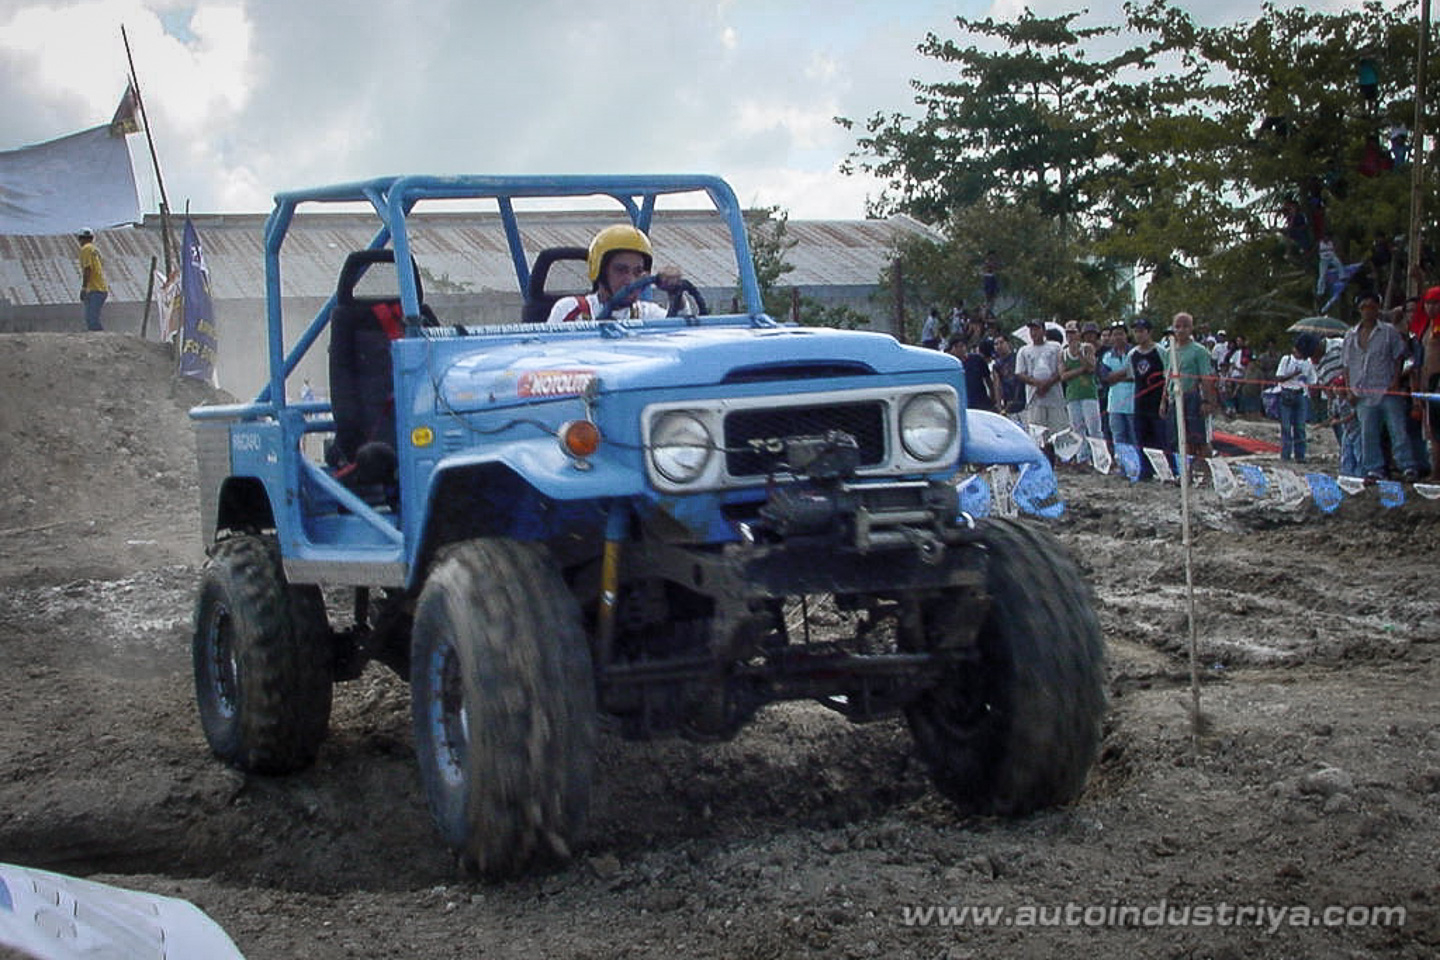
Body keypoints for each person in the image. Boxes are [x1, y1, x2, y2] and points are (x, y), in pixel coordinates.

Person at [1342, 291, 1421, 481]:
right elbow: (1346, 365)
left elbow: (1398, 357)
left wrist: (1394, 381)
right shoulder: (1350, 335)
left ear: (1377, 308)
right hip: (1362, 392)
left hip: (1386, 390)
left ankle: (1407, 466)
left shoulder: (1389, 332)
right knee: (1368, 434)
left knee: (1398, 431)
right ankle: (1374, 469)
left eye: (1371, 306)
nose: (1367, 311)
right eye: (1363, 307)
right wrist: (1348, 390)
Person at [547, 225, 678, 323]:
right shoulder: (570, 310)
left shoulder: (649, 314)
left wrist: (676, 295)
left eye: (637, 272)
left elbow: (682, 337)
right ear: (600, 271)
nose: (631, 280)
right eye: (621, 270)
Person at [1159, 312, 1219, 480]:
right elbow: (1167, 376)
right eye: (1177, 326)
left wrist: (1207, 401)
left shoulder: (1199, 351)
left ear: (1191, 328)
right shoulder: (1168, 351)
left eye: (1185, 326)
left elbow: (1206, 379)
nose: (1181, 330)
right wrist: (1163, 401)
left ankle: (1209, 474)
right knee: (1179, 438)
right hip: (1174, 398)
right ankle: (1186, 474)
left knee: (1199, 439)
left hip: (1193, 397)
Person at [1014, 320, 1067, 461]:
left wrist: (1048, 383)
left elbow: (1061, 369)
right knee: (1037, 430)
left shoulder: (1055, 347)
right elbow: (1020, 373)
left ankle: (1061, 458)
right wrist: (1037, 384)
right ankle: (1041, 458)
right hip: (1034, 395)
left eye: (1037, 329)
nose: (1034, 333)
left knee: (1057, 428)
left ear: (1043, 331)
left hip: (1054, 394)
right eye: (1031, 330)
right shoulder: (1024, 351)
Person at [1129, 318, 1169, 479]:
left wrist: (1164, 400)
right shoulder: (1133, 354)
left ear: (1149, 332)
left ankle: (1169, 469)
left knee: (1161, 437)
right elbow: (1133, 376)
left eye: (1141, 331)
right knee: (1141, 438)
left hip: (1157, 400)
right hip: (1140, 401)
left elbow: (1167, 375)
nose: (1139, 334)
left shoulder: (1160, 351)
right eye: (1136, 331)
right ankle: (1145, 470)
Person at [1059, 321, 1101, 464]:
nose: (1070, 336)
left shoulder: (1087, 348)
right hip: (1073, 394)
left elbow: (1091, 368)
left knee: (1094, 427)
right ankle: (1082, 457)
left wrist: (1080, 356)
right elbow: (1063, 376)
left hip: (1088, 392)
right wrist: (1080, 370)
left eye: (1073, 333)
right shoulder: (1063, 353)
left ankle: (1098, 457)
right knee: (1077, 428)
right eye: (1068, 333)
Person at [1274, 333, 1318, 462]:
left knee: (1300, 427)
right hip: (1286, 393)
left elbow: (1312, 380)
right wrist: (1294, 374)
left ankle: (1300, 455)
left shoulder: (1308, 362)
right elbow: (1279, 378)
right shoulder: (1286, 359)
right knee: (1286, 427)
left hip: (1300, 395)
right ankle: (1286, 454)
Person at [1100, 323, 1135, 448]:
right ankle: (1123, 464)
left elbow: (1136, 375)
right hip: (1114, 404)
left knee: (1134, 436)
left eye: (1121, 333)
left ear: (1126, 335)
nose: (1118, 337)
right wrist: (1126, 372)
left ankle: (1138, 466)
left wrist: (1116, 376)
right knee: (1118, 437)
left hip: (1133, 403)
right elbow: (1106, 377)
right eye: (1115, 334)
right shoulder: (1107, 356)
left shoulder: (1135, 353)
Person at [77, 228, 108, 331]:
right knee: (91, 318)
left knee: (91, 319)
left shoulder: (85, 249)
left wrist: (84, 288)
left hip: (95, 290)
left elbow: (87, 269)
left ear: (80, 239)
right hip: (99, 288)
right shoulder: (94, 250)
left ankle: (102, 340)